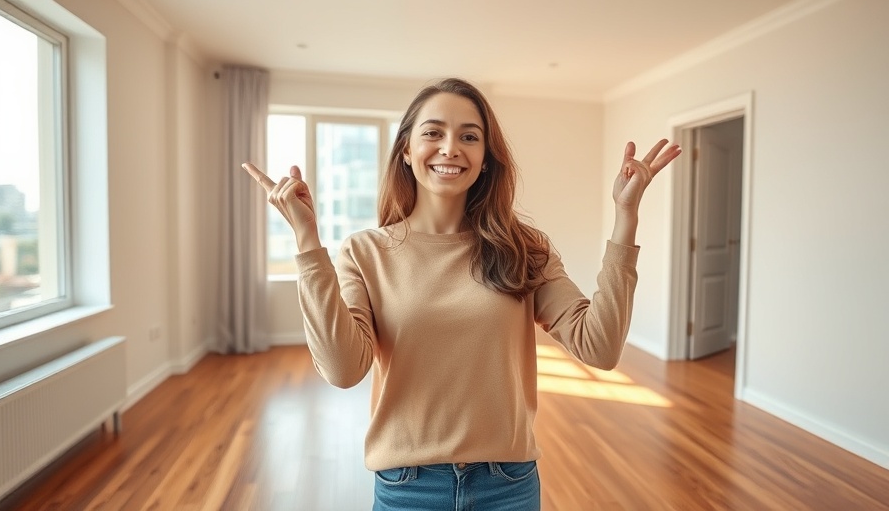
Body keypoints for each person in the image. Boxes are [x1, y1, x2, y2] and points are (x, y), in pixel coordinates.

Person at [242, 77, 680, 511]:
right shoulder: (365, 252)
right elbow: (341, 369)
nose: (451, 147)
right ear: (407, 151)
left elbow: (599, 347)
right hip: (407, 486)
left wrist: (626, 218)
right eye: (433, 132)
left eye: (469, 136)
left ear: (486, 159)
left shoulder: (525, 248)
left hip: (507, 485)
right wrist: (306, 241)